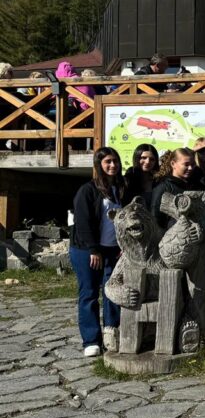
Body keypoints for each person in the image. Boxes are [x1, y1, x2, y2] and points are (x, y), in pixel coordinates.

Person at [70, 147, 124, 357]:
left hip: (112, 250)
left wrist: (121, 247)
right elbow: (82, 222)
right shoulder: (88, 190)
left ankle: (112, 333)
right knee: (89, 294)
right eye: (108, 162)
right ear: (99, 165)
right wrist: (93, 249)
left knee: (111, 292)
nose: (112, 165)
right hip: (87, 250)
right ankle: (91, 340)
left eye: (115, 161)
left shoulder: (120, 189)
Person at [151, 148, 195, 228]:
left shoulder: (193, 185)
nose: (190, 168)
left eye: (192, 164)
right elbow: (155, 217)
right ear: (173, 164)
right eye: (186, 164)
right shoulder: (163, 188)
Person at [123, 143, 160, 211]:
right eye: (143, 158)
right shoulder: (128, 179)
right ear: (136, 158)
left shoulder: (158, 181)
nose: (147, 162)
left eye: (152, 159)